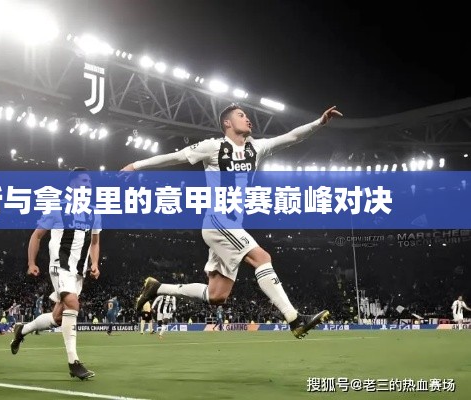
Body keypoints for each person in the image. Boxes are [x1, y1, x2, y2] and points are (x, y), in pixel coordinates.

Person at [125, 105, 343, 339]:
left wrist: (319, 122)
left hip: (232, 226)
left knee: (217, 295)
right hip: (218, 221)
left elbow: (291, 137)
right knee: (262, 258)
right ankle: (294, 319)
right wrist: (136, 165)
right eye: (241, 115)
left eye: (247, 115)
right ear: (227, 123)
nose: (248, 119)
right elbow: (175, 157)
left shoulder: (256, 148)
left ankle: (157, 288)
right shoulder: (213, 147)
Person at [10, 167, 101, 380]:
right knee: (73, 304)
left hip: (78, 271)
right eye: (83, 182)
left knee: (58, 318)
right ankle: (73, 362)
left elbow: (95, 242)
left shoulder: (94, 211)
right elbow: (37, 235)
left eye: (89, 182)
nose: (88, 185)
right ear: (72, 185)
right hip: (60, 266)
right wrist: (31, 262)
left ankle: (22, 330)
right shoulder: (57, 207)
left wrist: (95, 263)